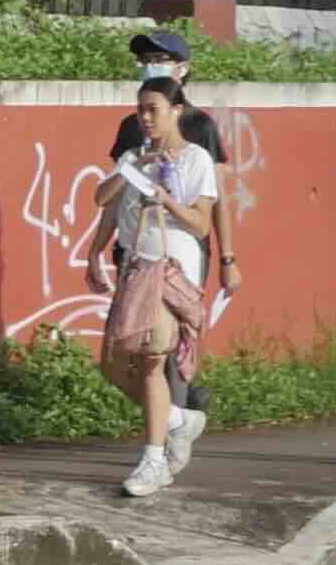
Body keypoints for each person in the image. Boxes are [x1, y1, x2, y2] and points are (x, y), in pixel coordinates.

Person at [94, 75, 226, 497]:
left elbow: (202, 222)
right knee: (113, 362)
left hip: (172, 265)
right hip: (135, 264)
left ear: (176, 112)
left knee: (152, 356)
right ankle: (176, 420)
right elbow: (104, 202)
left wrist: (166, 199)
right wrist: (95, 252)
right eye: (141, 110)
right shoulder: (133, 157)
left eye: (154, 109)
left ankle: (153, 460)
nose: (146, 118)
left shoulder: (196, 160)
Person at [117, 25, 241, 460]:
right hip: (135, 247)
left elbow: (217, 197)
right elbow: (117, 192)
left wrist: (227, 257)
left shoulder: (199, 128)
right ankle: (175, 420)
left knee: (166, 347)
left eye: (159, 58)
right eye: (144, 59)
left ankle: (172, 431)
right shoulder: (132, 125)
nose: (149, 65)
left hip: (182, 251)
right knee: (130, 350)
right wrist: (102, 248)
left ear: (183, 70)